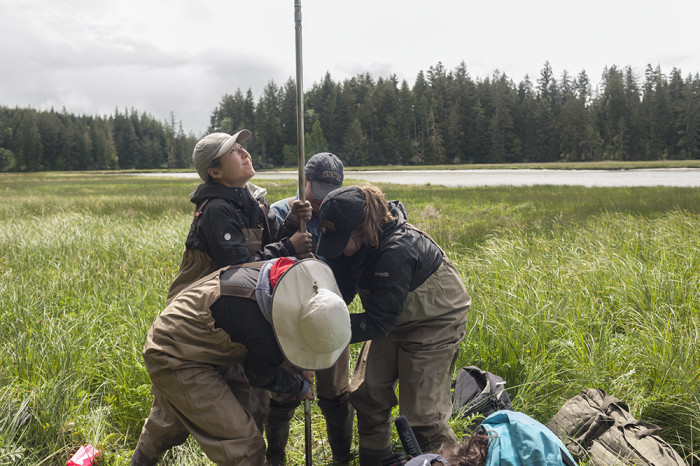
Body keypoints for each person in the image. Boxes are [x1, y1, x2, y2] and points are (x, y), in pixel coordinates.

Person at [130, 258, 351, 465]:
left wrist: (299, 367)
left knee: (248, 415)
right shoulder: (260, 330)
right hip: (175, 353)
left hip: (214, 344)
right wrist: (299, 386)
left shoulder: (290, 280)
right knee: (244, 446)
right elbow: (260, 375)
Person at [316, 185, 472, 465]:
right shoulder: (354, 247)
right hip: (391, 317)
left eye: (341, 242)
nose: (337, 251)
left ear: (361, 230)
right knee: (368, 394)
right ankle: (376, 461)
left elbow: (378, 321)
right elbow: (344, 292)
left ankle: (445, 461)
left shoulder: (397, 250)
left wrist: (326, 330)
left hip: (435, 320)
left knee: (423, 417)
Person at [266, 152, 351, 465]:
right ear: (304, 182)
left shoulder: (343, 215)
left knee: (336, 393)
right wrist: (291, 237)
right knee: (283, 395)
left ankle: (342, 457)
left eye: (328, 193)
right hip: (285, 317)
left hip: (331, 314)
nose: (319, 201)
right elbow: (264, 263)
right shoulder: (279, 212)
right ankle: (275, 457)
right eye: (315, 192)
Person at [166, 129, 312, 304]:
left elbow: (272, 242)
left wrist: (293, 220)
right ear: (215, 172)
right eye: (233, 151)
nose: (245, 153)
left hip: (244, 294)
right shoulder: (216, 209)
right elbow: (238, 269)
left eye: (241, 146)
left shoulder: (256, 202)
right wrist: (289, 246)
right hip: (201, 304)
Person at [270, 152, 344, 249]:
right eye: (320, 191)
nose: (322, 200)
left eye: (329, 194)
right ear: (304, 181)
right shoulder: (276, 213)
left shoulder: (338, 215)